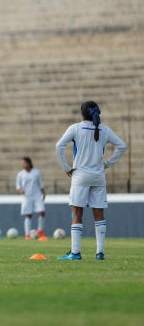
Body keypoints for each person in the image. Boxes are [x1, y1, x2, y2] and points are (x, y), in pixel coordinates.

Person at [56, 101, 126, 260]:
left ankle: (75, 252)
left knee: (77, 213)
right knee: (99, 214)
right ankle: (99, 253)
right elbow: (122, 146)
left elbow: (59, 146)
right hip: (98, 176)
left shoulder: (75, 128)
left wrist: (66, 168)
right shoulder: (104, 129)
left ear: (82, 113)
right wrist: (107, 164)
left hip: (80, 175)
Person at [16, 156, 47, 239]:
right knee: (28, 215)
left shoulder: (36, 172)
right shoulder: (20, 174)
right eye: (22, 163)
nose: (23, 164)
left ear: (29, 163)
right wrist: (20, 191)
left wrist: (43, 192)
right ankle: (27, 234)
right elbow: (18, 187)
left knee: (42, 212)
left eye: (24, 163)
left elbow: (40, 183)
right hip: (27, 197)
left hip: (37, 195)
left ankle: (40, 230)